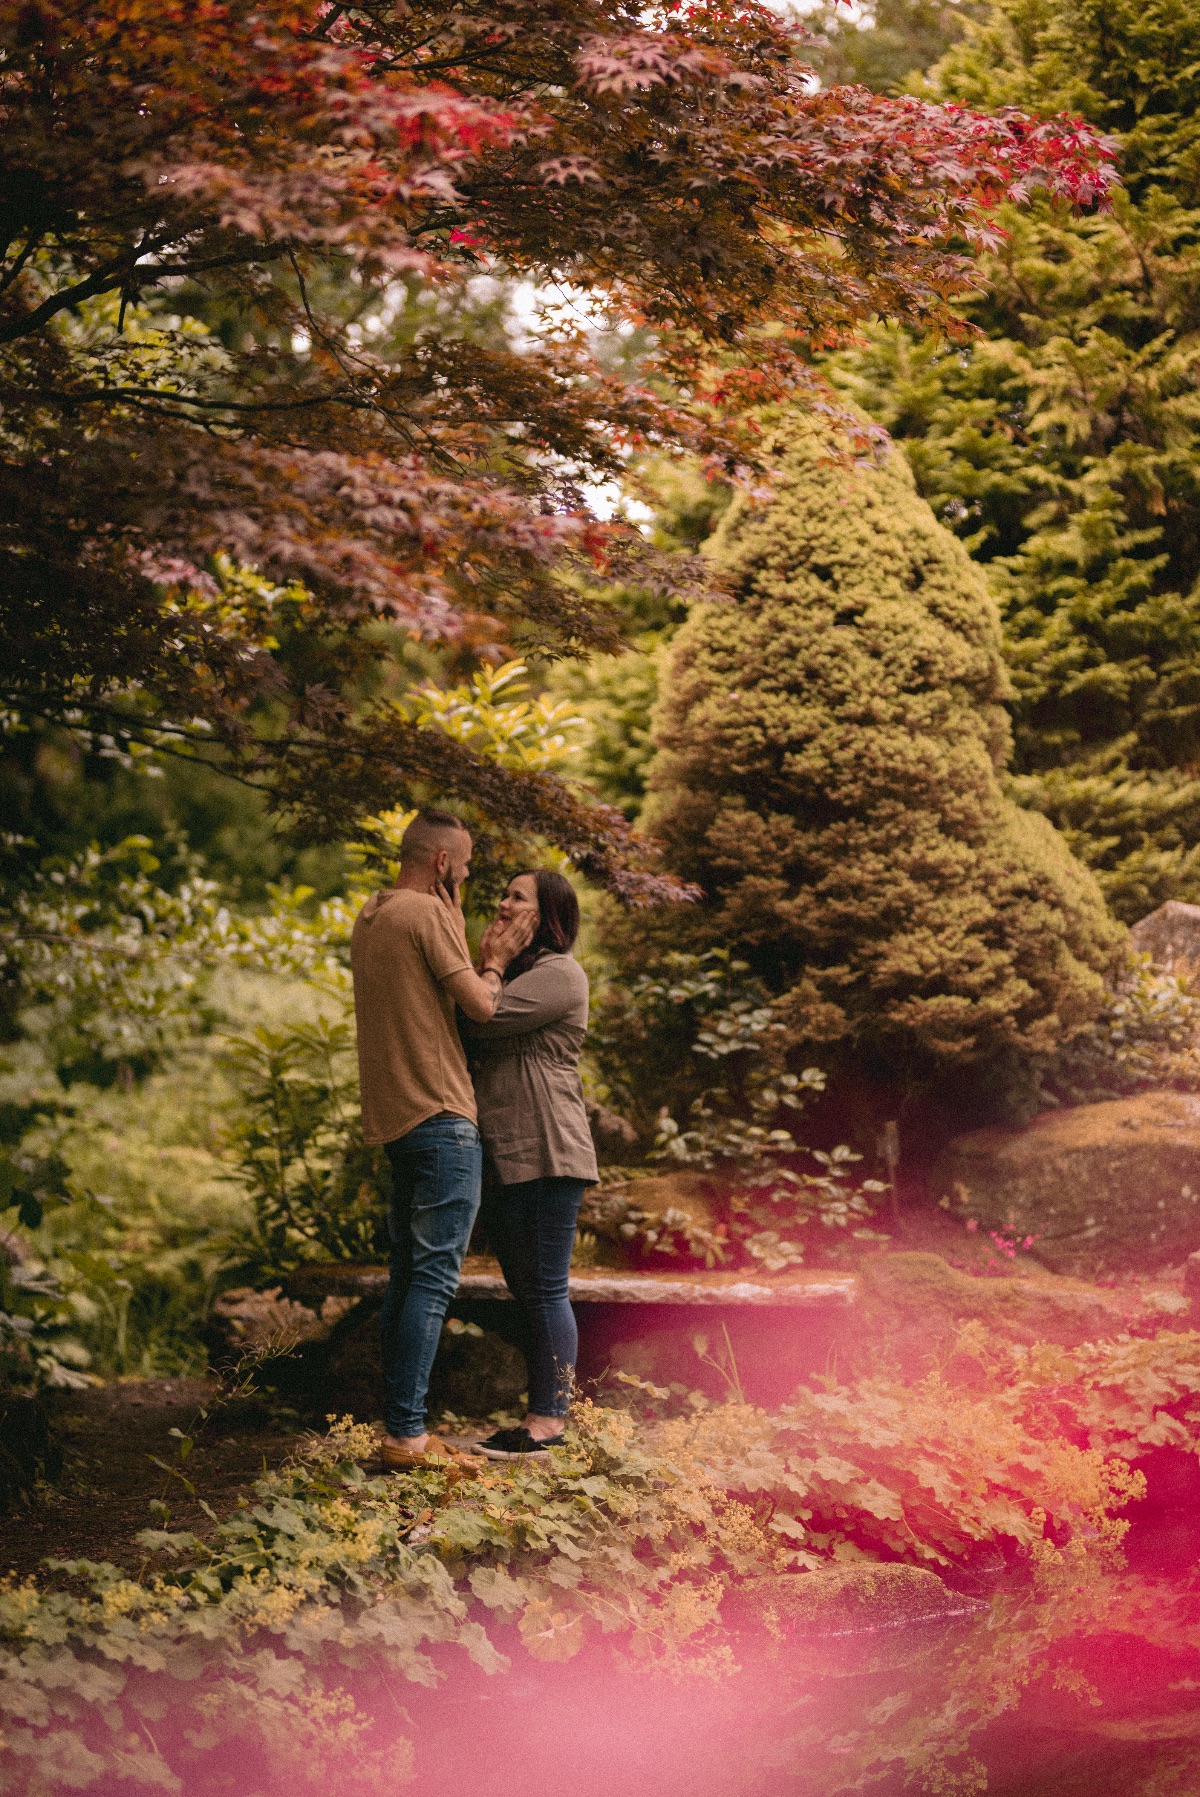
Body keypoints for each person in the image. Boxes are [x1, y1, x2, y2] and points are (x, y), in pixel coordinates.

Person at [350, 810, 536, 1472]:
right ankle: (406, 1437)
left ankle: (401, 1426)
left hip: (400, 1121)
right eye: (463, 865)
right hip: (442, 1117)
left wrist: (453, 928)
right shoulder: (426, 917)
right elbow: (480, 1006)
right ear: (439, 864)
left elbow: (421, 994)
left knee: (408, 1277)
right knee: (432, 1281)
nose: (467, 875)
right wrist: (496, 960)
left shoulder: (374, 916)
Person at [462, 869, 599, 1461]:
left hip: (549, 1150)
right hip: (513, 1153)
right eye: (505, 891)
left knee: (545, 1289)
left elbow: (480, 1016)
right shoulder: (522, 978)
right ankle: (543, 1414)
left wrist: (489, 963)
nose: (503, 901)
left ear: (546, 917)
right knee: (527, 1290)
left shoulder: (560, 976)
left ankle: (549, 1422)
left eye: (518, 896)